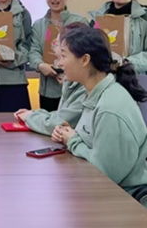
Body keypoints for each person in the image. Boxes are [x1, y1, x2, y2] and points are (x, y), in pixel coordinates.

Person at [53, 26, 147, 207]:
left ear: (85, 60)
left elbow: (105, 174)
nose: (60, 63)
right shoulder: (95, 93)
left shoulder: (109, 107)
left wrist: (73, 141)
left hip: (124, 200)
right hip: (106, 192)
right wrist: (70, 134)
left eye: (64, 56)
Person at [15, 22, 89, 135]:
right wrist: (33, 114)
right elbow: (61, 115)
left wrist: (29, 117)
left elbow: (59, 123)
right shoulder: (73, 83)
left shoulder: (86, 88)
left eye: (57, 44)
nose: (59, 64)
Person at [28, 0, 88, 111]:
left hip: (74, 88)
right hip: (48, 89)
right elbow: (33, 51)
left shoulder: (79, 22)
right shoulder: (38, 25)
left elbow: (85, 52)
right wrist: (40, 65)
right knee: (48, 122)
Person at [89, 0, 147, 73]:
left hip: (135, 77)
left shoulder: (144, 17)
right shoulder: (97, 18)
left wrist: (126, 63)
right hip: (104, 76)